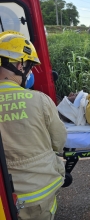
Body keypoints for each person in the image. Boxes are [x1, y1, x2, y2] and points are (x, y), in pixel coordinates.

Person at [0, 30, 67, 220]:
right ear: (20, 65)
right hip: (39, 191)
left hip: (3, 197)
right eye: (29, 67)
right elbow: (59, 141)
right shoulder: (39, 100)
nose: (29, 73)